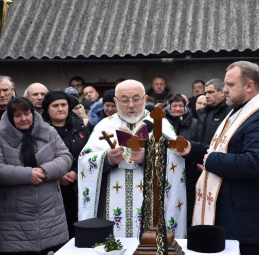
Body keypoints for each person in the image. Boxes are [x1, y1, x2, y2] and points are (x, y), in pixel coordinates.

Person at [179, 61, 259, 255]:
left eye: (230, 85)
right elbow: (220, 151)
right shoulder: (237, 112)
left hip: (250, 226)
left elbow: (253, 164)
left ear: (250, 86)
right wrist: (191, 149)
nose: (224, 90)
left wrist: (209, 161)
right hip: (232, 218)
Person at [77, 80, 187, 239]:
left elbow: (176, 159)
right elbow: (84, 160)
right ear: (115, 101)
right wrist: (106, 159)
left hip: (153, 204)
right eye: (124, 99)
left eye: (136, 99)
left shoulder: (160, 123)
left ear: (145, 99)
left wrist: (149, 157)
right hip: (111, 205)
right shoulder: (103, 126)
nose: (130, 105)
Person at [0, 97, 72, 254]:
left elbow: (65, 157)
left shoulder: (49, 132)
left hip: (50, 210)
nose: (23, 119)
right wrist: (28, 174)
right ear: (9, 117)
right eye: (17, 115)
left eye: (27, 113)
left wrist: (44, 171)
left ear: (33, 113)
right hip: (13, 216)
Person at [41, 91, 90, 240]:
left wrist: (75, 172)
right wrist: (57, 174)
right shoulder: (39, 130)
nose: (60, 108)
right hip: (51, 188)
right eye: (55, 105)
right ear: (47, 109)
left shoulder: (80, 127)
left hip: (77, 185)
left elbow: (88, 154)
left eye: (64, 105)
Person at [164, 94, 197, 228]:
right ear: (169, 107)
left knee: (188, 202)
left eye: (180, 106)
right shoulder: (163, 123)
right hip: (168, 168)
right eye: (174, 106)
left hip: (189, 168)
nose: (177, 109)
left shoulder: (194, 122)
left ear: (185, 107)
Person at [0, 75, 15, 254]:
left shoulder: (24, 111)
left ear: (12, 90)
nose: (2, 94)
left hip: (20, 178)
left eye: (5, 90)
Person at [191, 78, 232, 144]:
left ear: (222, 92)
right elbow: (195, 139)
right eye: (205, 93)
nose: (206, 96)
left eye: (210, 92)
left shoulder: (230, 112)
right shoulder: (203, 113)